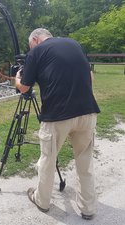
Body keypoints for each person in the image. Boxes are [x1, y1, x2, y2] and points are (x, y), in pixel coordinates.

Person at [15, 28, 100, 220]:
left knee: (48, 159)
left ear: (35, 40)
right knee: (85, 162)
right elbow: (90, 77)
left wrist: (17, 79)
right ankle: (88, 209)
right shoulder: (74, 44)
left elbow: (25, 88)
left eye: (30, 45)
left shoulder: (36, 51)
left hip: (57, 116)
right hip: (87, 111)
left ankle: (42, 201)